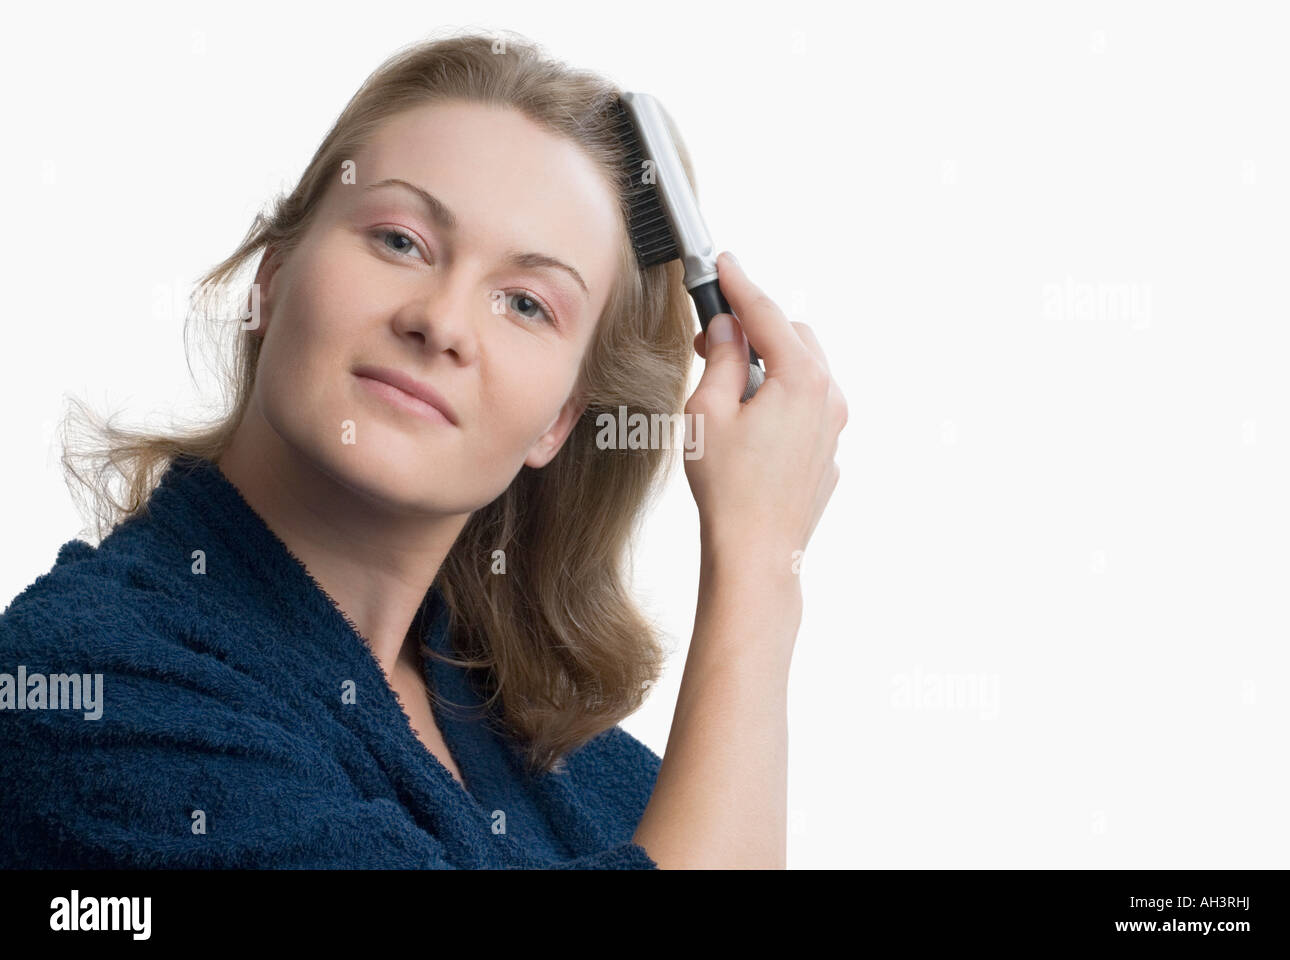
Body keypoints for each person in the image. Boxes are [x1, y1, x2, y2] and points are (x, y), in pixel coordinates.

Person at [0, 29, 845, 869]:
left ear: (558, 421)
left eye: (525, 303)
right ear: (273, 279)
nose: (440, 323)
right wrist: (759, 567)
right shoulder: (86, 691)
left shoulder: (595, 783)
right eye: (400, 241)